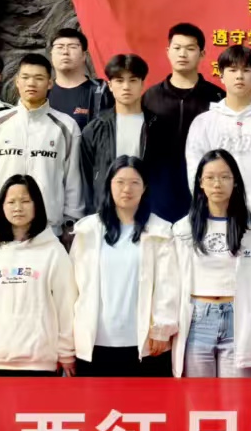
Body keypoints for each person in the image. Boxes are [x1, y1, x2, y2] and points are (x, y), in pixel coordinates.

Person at [183, 46, 251, 355]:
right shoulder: (204, 123)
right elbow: (196, 174)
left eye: (246, 70)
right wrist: (222, 212)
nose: (239, 76)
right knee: (215, 299)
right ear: (221, 75)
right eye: (232, 70)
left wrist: (243, 212)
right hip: (213, 228)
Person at [72, 158, 176, 377]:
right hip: (94, 342)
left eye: (134, 183)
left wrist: (161, 329)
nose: (126, 189)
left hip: (144, 344)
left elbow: (168, 285)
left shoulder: (160, 231)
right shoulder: (87, 230)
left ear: (144, 187)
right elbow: (73, 287)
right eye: (120, 182)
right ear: (109, 185)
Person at [0, 175, 75, 376]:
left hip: (40, 362)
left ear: (37, 205)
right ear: (2, 206)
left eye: (25, 201)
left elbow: (66, 305)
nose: (18, 208)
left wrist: (66, 352)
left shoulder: (53, 251)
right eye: (11, 202)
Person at [171, 150, 251, 377]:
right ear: (200, 183)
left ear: (235, 182)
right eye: (210, 177)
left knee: (236, 398)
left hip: (238, 320)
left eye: (225, 177)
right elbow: (173, 282)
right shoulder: (183, 229)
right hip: (197, 323)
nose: (217, 184)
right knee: (199, 397)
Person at [0, 53, 84, 235]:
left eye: (39, 78)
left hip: (49, 229)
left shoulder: (66, 126)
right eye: (25, 77)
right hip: (3, 226)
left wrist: (70, 222)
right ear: (17, 81)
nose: (31, 83)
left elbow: (73, 178)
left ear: (50, 83)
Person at [141, 22, 225, 223]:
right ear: (168, 52)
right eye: (177, 48)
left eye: (190, 49)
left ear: (202, 54)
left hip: (205, 189)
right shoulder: (150, 97)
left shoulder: (217, 97)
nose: (182, 54)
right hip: (160, 192)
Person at [79, 54, 151, 219]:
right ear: (110, 85)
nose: (126, 87)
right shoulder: (94, 129)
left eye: (133, 80)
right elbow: (86, 179)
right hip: (105, 213)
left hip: (148, 214)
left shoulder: (158, 127)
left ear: (142, 84)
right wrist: (92, 216)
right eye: (119, 80)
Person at [47, 27, 110, 130]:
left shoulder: (101, 91)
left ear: (84, 55)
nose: (65, 52)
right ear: (51, 55)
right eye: (60, 47)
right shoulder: (43, 91)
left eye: (72, 47)